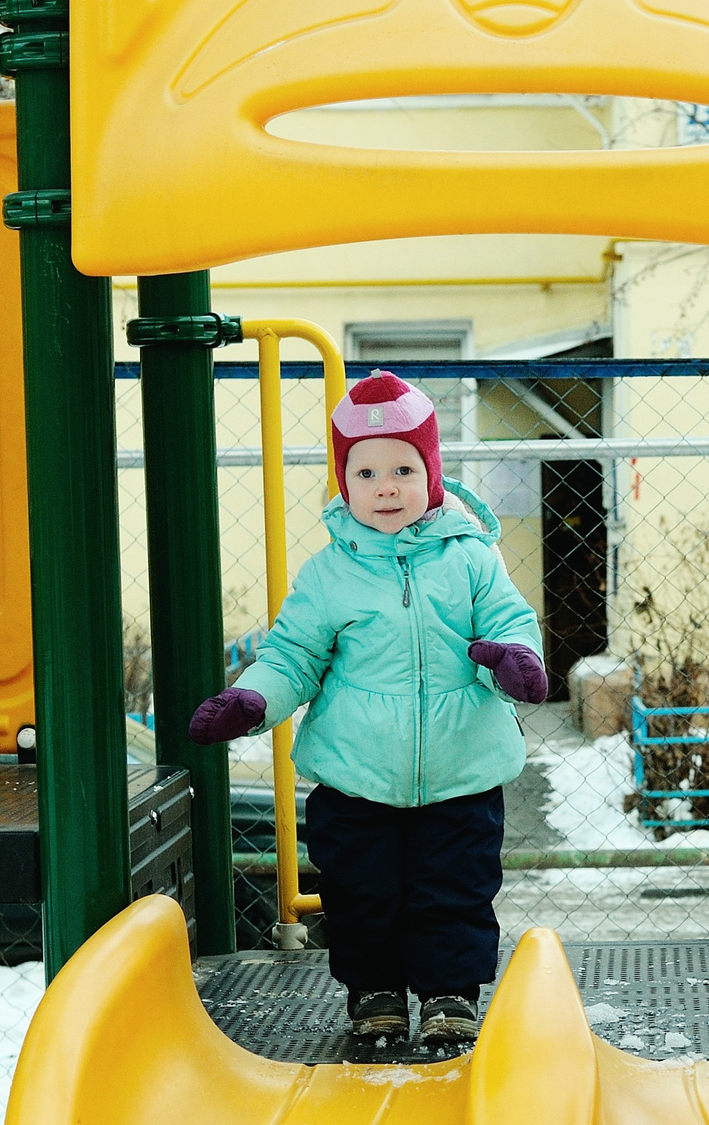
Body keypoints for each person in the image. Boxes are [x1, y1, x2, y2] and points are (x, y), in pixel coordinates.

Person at [187, 371, 547, 1047]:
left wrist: (514, 662)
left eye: (404, 468)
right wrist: (254, 698)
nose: (387, 485)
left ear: (432, 472)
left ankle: (450, 995)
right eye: (368, 470)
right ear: (345, 480)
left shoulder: (470, 558)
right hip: (357, 777)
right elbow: (293, 655)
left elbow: (510, 621)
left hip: (460, 770)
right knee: (362, 893)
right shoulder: (329, 573)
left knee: (456, 890)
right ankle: (374, 993)